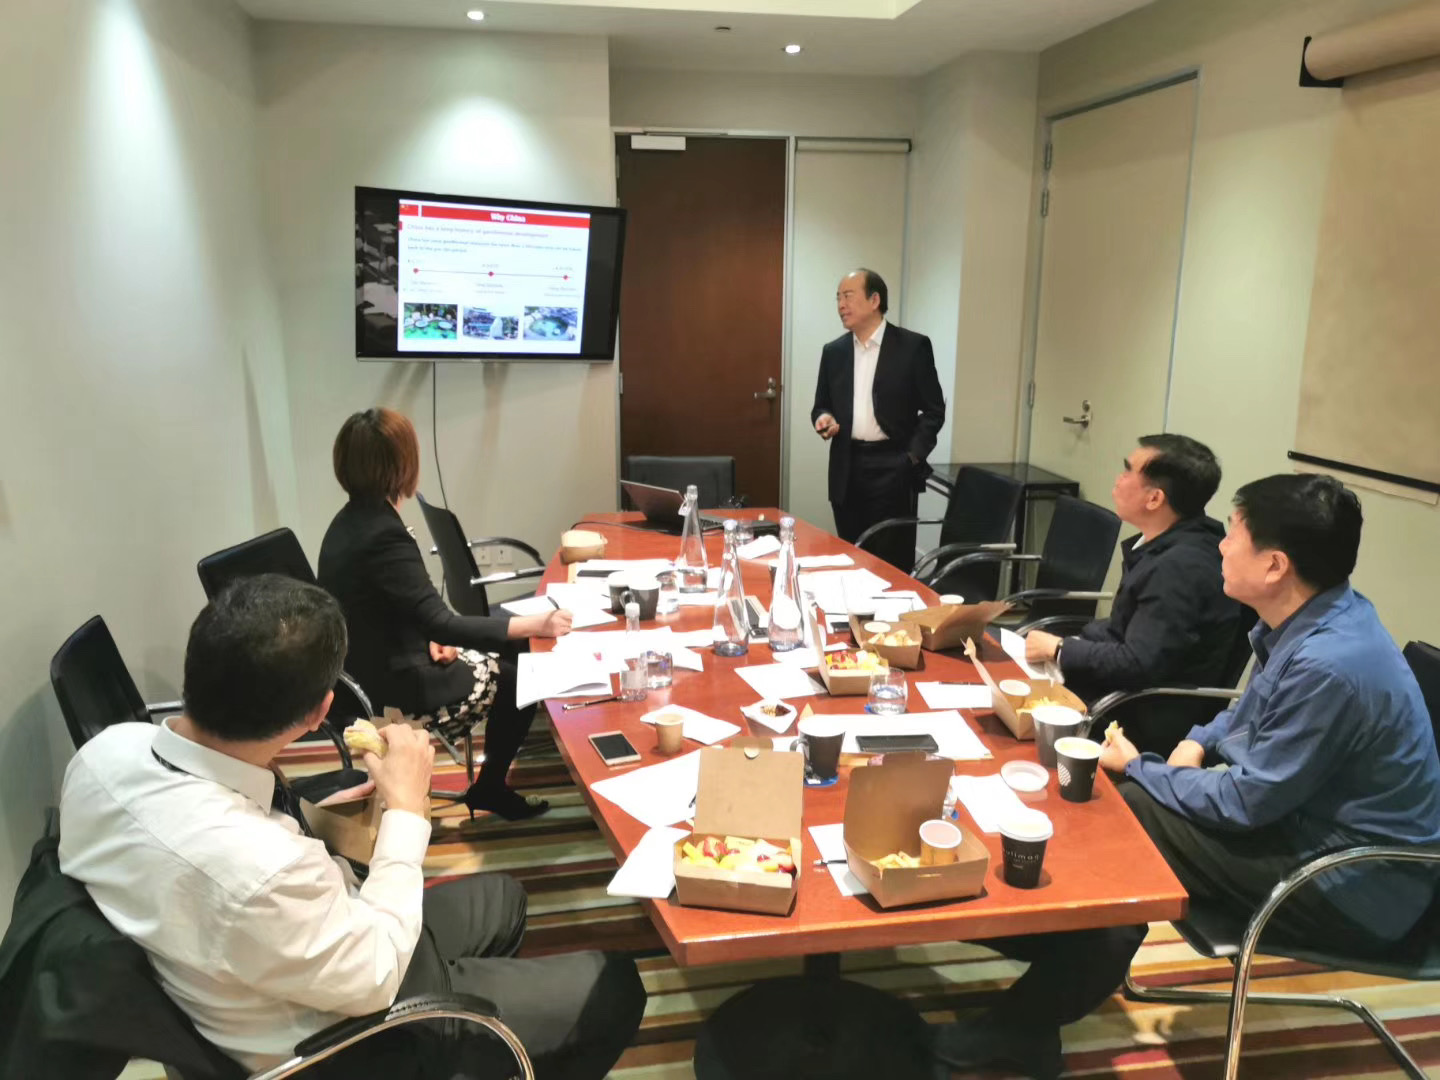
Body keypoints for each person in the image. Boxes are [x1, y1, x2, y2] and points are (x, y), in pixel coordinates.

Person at [932, 473, 1440, 1079]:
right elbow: (1248, 714)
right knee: (1125, 818)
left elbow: (1246, 802)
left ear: (1275, 565)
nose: (1220, 545)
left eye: (1234, 535)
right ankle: (1045, 978)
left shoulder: (1332, 663)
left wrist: (1141, 765)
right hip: (1304, 830)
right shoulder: (1318, 618)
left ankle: (1025, 1010)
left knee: (1128, 815)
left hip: (1354, 883)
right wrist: (1196, 742)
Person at [58, 575, 646, 1079]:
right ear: (320, 712)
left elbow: (227, 839)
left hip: (279, 953)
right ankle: (454, 1041)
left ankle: (479, 1023)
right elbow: (376, 974)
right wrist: (407, 810)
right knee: (616, 988)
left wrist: (321, 811)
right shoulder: (264, 872)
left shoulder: (103, 755)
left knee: (505, 900)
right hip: (339, 1036)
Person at [319, 407, 569, 820]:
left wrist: (429, 635)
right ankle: (490, 788)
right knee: (518, 675)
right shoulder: (383, 535)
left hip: (366, 669)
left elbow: (395, 608)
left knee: (511, 654)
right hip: (394, 687)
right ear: (403, 463)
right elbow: (442, 622)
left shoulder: (349, 523)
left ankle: (490, 786)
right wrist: (538, 623)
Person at [1023, 434, 1246, 755]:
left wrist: (1060, 649)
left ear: (1154, 499)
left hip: (1133, 717)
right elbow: (1132, 629)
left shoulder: (1179, 568)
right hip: (1120, 693)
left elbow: (1138, 662)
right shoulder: (1176, 543)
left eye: (1128, 471)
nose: (1119, 479)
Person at [811, 268, 946, 571]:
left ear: (874, 300)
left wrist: (911, 457)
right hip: (847, 465)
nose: (841, 305)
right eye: (838, 298)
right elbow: (821, 406)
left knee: (891, 564)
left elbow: (934, 410)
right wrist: (824, 418)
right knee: (852, 557)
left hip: (894, 465)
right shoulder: (834, 352)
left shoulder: (912, 347)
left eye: (848, 296)